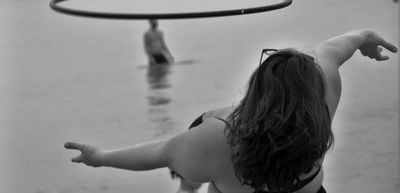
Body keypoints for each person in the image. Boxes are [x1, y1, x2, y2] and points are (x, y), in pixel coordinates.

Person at [65, 30, 397, 193]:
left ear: (257, 88)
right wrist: (366, 38)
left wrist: (100, 156)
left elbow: (156, 153)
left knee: (207, 133)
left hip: (219, 156)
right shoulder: (325, 96)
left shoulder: (216, 141)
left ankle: (189, 183)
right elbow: (336, 47)